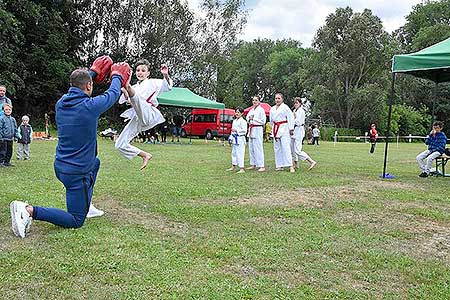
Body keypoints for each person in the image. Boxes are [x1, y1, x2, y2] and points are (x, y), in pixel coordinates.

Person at [9, 56, 131, 238]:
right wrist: (116, 77)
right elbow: (113, 94)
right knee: (76, 219)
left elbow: (80, 84)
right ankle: (28, 210)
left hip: (62, 166)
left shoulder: (62, 103)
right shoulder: (90, 106)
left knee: (95, 163)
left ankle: (86, 205)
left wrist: (93, 72)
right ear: (88, 86)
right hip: (76, 172)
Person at [115, 59, 173, 169]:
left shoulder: (153, 82)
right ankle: (145, 155)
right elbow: (127, 101)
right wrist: (124, 90)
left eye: (143, 70)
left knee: (136, 97)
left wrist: (165, 74)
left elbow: (168, 86)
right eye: (138, 70)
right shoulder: (135, 87)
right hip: (138, 117)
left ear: (148, 73)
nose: (140, 72)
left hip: (149, 113)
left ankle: (126, 84)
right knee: (119, 144)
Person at [269, 93, 295, 173]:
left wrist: (291, 128)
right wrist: (272, 128)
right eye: (276, 98)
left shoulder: (285, 107)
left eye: (279, 98)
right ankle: (279, 165)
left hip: (284, 128)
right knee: (277, 148)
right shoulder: (272, 108)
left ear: (282, 99)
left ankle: (290, 165)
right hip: (276, 128)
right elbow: (271, 120)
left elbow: (290, 117)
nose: (277, 100)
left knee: (286, 147)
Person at [291, 97, 316, 170]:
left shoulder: (301, 111)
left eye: (297, 103)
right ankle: (296, 164)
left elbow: (298, 122)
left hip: (299, 130)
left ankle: (311, 162)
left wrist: (294, 118)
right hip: (293, 130)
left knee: (297, 150)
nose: (295, 104)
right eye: (294, 103)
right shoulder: (294, 110)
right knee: (292, 148)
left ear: (300, 104)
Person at [246, 96, 266, 172]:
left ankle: (261, 165)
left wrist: (254, 118)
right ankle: (253, 164)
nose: (254, 102)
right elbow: (247, 118)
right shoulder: (251, 110)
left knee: (258, 147)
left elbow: (263, 121)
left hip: (258, 129)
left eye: (256, 100)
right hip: (251, 129)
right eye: (253, 100)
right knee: (251, 148)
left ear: (259, 102)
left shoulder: (261, 110)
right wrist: (250, 118)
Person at [226, 107, 247, 173]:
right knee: (234, 153)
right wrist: (231, 138)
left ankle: (242, 168)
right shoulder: (234, 121)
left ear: (242, 113)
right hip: (234, 138)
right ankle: (233, 166)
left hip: (240, 138)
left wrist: (237, 130)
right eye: (236, 112)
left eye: (238, 112)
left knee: (240, 153)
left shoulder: (243, 121)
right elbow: (232, 130)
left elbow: (244, 131)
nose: (237, 113)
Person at [0, 103, 18, 167]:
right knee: (3, 151)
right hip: (3, 138)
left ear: (11, 110)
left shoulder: (13, 119)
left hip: (10, 138)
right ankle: (1, 162)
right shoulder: (1, 118)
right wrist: (1, 137)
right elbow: (0, 128)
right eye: (6, 109)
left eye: (9, 109)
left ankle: (7, 162)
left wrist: (16, 136)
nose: (8, 111)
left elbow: (15, 128)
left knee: (9, 151)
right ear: (3, 111)